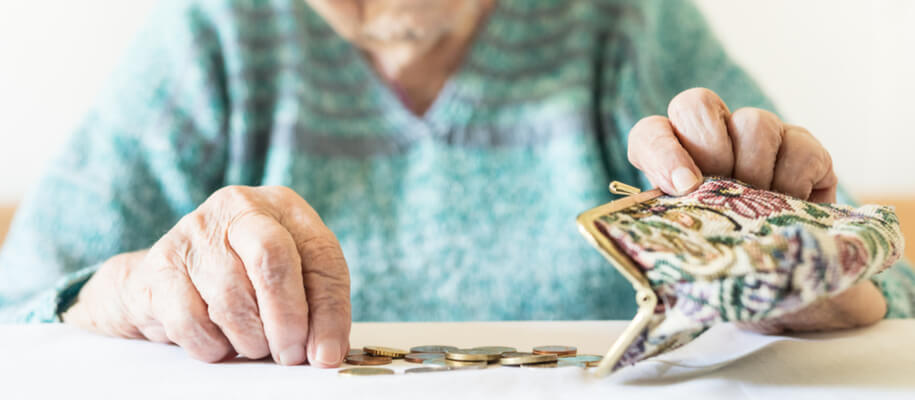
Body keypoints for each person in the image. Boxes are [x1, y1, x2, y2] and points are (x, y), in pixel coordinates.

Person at [1, 0, 913, 368]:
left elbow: (890, 294)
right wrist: (126, 291)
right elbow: (19, 311)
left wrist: (814, 280)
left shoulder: (621, 23)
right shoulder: (214, 34)